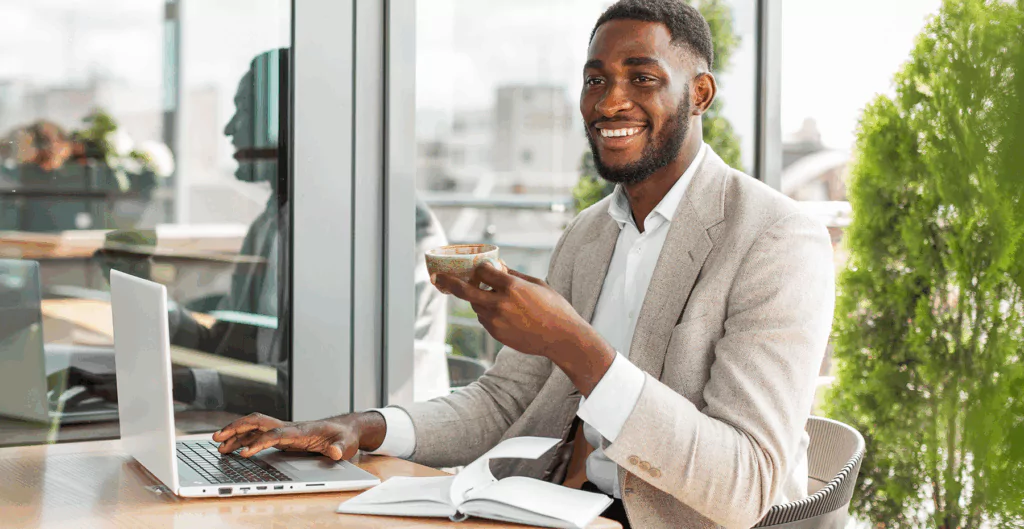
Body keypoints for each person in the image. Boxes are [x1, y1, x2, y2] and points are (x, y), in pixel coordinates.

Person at [213, 2, 835, 528]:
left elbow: (745, 485)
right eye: (596, 80)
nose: (610, 101)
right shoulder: (589, 235)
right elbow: (503, 401)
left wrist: (572, 343)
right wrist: (359, 426)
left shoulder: (777, 240)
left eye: (642, 78)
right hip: (554, 505)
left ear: (699, 93)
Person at [83, 49, 451, 415]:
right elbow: (229, 346)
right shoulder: (272, 221)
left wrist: (180, 385)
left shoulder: (396, 232)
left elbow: (334, 393)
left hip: (378, 453)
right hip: (282, 434)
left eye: (243, 110)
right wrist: (143, 290)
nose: (229, 129)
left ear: (290, 121)